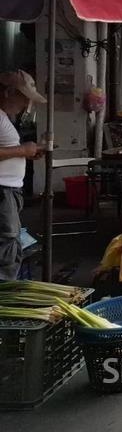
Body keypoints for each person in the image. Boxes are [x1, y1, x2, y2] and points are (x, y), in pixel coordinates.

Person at [0, 71, 46, 281]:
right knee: (7, 246)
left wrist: (27, 153)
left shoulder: (4, 117)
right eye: (24, 98)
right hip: (3, 192)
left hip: (9, 191)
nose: (26, 105)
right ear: (8, 92)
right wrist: (22, 151)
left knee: (10, 243)